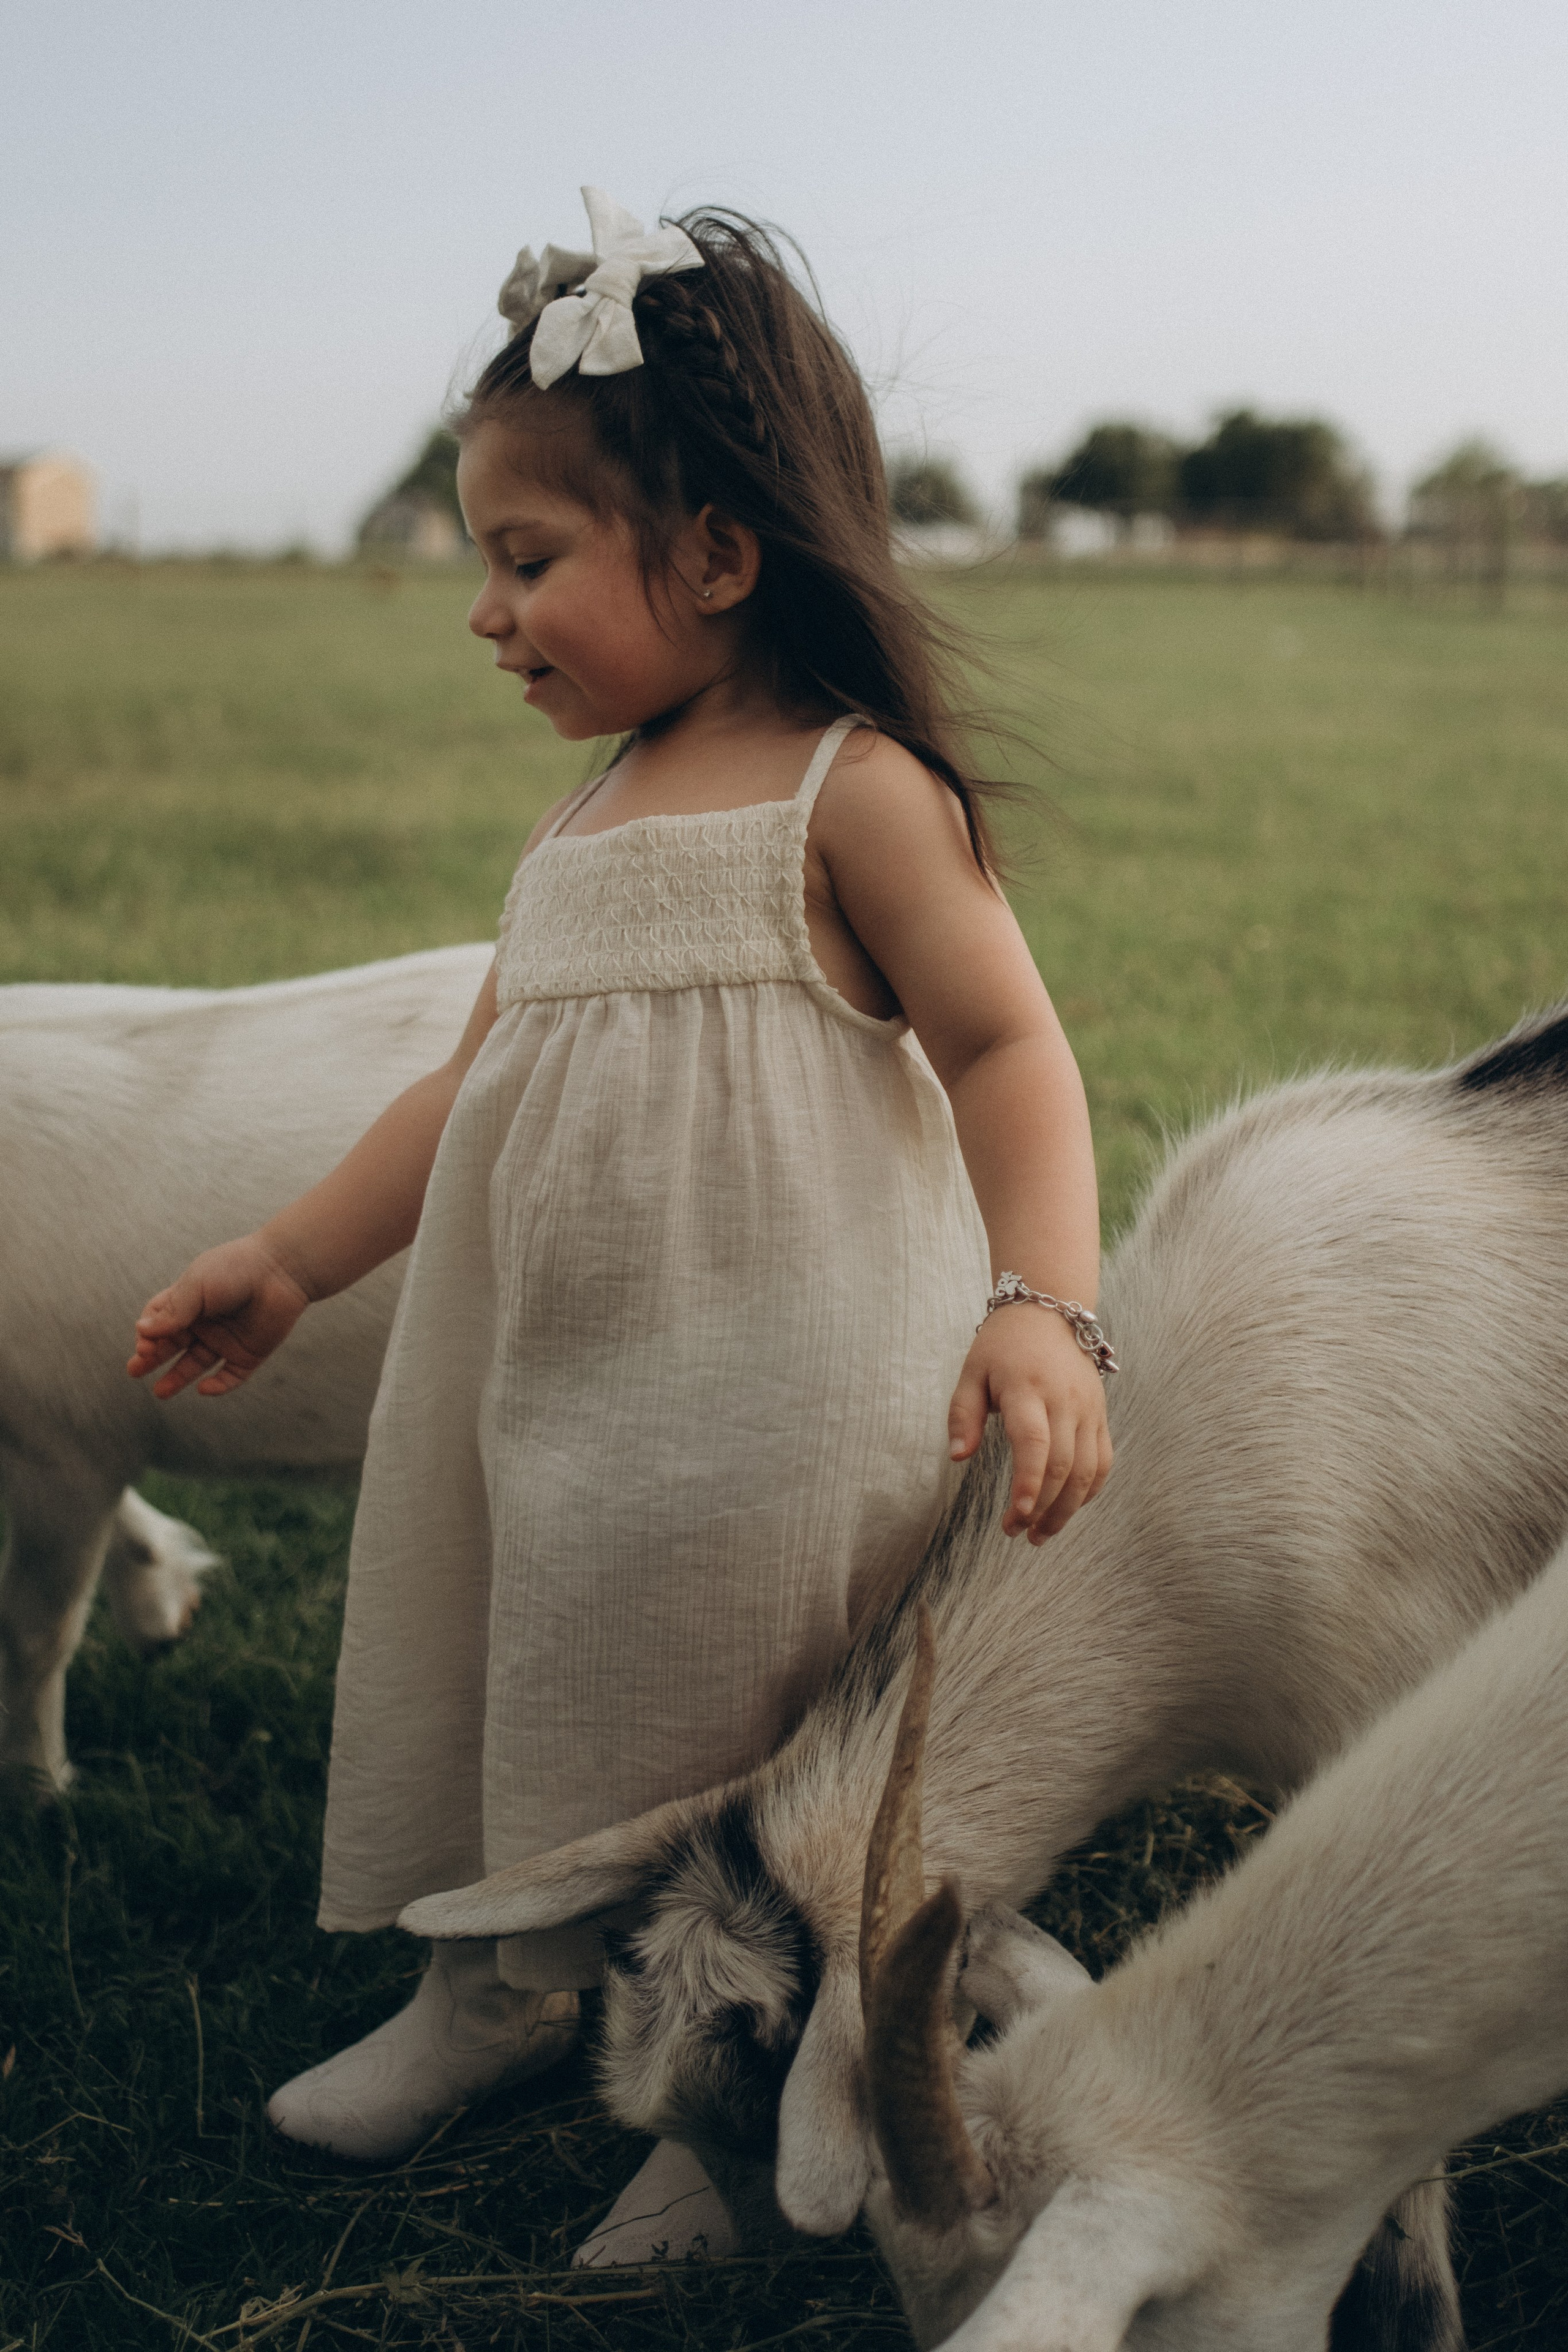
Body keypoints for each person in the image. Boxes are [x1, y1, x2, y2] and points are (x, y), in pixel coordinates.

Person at [127, 189, 1114, 2263]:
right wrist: (296, 1255)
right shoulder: (582, 816)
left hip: (787, 1396)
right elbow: (466, 1086)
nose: (487, 613)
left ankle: (725, 2088)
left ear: (721, 557)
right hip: (566, 1384)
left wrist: (1042, 1305)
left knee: (733, 1720)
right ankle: (493, 1986)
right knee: (539, 1658)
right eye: (484, 562)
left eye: (527, 560)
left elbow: (1014, 1049)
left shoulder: (855, 792)